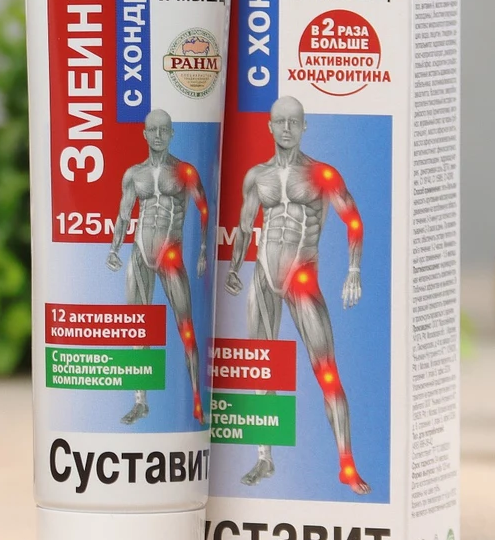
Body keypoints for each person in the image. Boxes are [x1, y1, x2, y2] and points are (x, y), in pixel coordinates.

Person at [225, 94, 369, 493]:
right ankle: (264, 458)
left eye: (294, 122)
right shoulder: (257, 177)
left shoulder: (321, 174)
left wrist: (353, 271)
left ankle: (346, 464)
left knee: (326, 369)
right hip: (263, 275)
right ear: (269, 127)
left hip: (301, 276)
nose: (286, 128)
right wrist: (234, 268)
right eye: (280, 122)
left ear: (304, 126)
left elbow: (353, 219)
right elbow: (244, 227)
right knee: (261, 369)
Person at [107, 109, 208, 424]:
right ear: (145, 134)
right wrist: (114, 248)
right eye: (153, 130)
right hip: (140, 252)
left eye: (164, 130)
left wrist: (203, 250)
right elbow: (124, 214)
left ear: (172, 133)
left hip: (170, 253)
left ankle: (197, 399)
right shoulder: (133, 174)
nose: (159, 135)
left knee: (186, 325)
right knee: (138, 327)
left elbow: (204, 209)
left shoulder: (185, 171)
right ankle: (140, 401)